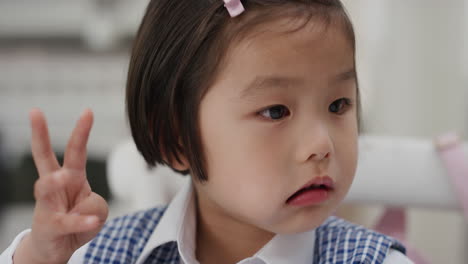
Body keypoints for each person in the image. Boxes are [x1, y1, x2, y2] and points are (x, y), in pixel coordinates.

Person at [1, 0, 414, 263]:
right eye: (276, 111)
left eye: (338, 105)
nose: (321, 144)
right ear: (175, 139)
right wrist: (41, 256)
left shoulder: (370, 260)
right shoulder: (110, 254)